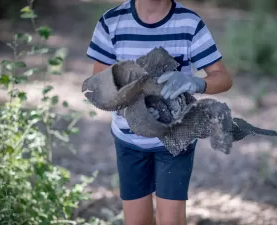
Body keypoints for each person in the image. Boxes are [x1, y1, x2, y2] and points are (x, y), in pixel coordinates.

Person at [86, 0, 232, 224]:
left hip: (176, 138)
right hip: (128, 141)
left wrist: (196, 83)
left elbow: (224, 78)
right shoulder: (111, 22)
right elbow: (98, 86)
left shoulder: (189, 23)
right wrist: (129, 93)